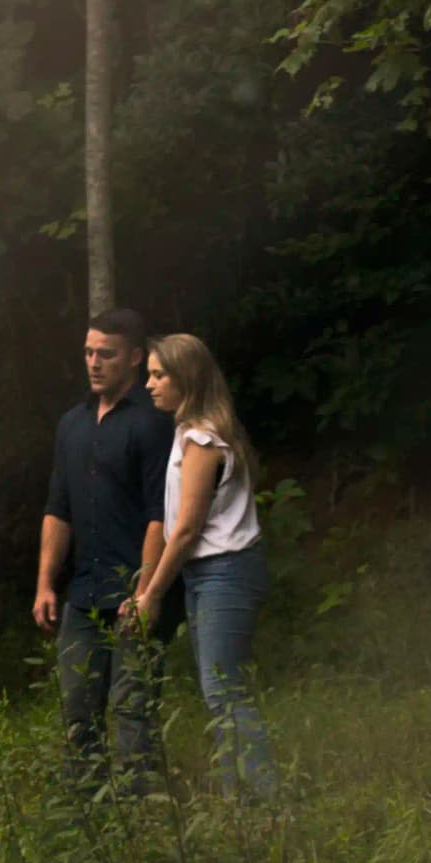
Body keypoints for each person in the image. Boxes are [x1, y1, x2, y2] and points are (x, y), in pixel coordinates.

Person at [125, 335, 279, 804]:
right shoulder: (188, 433)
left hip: (225, 571)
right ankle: (240, 803)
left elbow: (187, 530)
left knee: (224, 691)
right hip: (208, 574)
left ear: (186, 378)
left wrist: (149, 593)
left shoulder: (203, 440)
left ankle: (269, 802)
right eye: (148, 374)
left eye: (158, 374)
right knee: (219, 690)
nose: (148, 384)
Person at [35, 310, 175, 787]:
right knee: (77, 708)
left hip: (132, 587)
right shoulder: (71, 423)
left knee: (132, 709)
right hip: (83, 591)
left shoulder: (153, 422)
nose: (94, 362)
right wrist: (45, 584)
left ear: (135, 358)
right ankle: (87, 814)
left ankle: (144, 816)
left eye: (106, 354)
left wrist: (146, 589)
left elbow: (161, 513)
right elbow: (58, 508)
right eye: (89, 352)